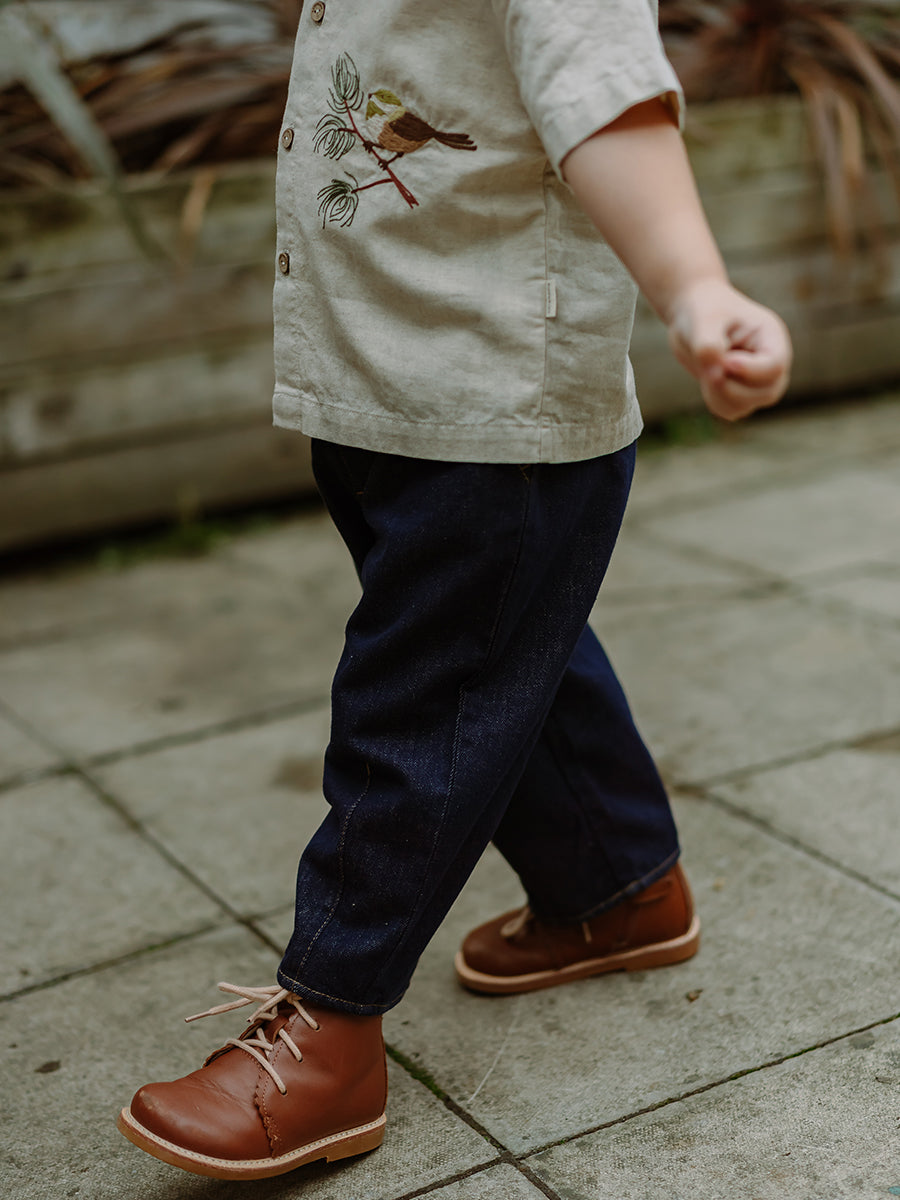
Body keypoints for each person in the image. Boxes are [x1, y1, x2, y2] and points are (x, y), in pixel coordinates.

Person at [116, 0, 792, 1182]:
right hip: (386, 386)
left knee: (422, 703)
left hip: (492, 409)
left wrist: (695, 290)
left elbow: (607, 102)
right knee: (505, 645)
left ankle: (331, 1027)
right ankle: (616, 885)